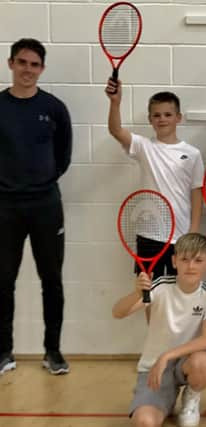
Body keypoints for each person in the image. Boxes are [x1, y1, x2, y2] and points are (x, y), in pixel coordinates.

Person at [0, 38, 72, 375]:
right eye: (22, 62)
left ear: (41, 68)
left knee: (52, 280)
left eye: (34, 64)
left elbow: (63, 157)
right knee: (3, 281)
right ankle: (4, 352)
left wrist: (40, 182)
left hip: (45, 205)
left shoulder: (54, 108)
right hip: (5, 208)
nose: (28, 70)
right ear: (10, 64)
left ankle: (53, 352)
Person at [112, 233, 206, 427]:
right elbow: (118, 313)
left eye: (198, 260)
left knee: (204, 362)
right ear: (174, 261)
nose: (191, 266)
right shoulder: (160, 286)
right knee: (144, 423)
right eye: (184, 259)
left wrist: (167, 356)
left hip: (187, 364)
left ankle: (191, 398)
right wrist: (136, 293)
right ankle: (164, 401)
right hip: (154, 368)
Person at [106, 79, 204, 280]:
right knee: (148, 292)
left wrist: (193, 232)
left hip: (182, 235)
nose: (162, 119)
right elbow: (116, 130)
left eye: (168, 114)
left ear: (179, 118)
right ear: (150, 119)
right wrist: (115, 103)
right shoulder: (144, 147)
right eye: (156, 115)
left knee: (181, 290)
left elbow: (197, 194)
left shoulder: (192, 154)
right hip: (149, 234)